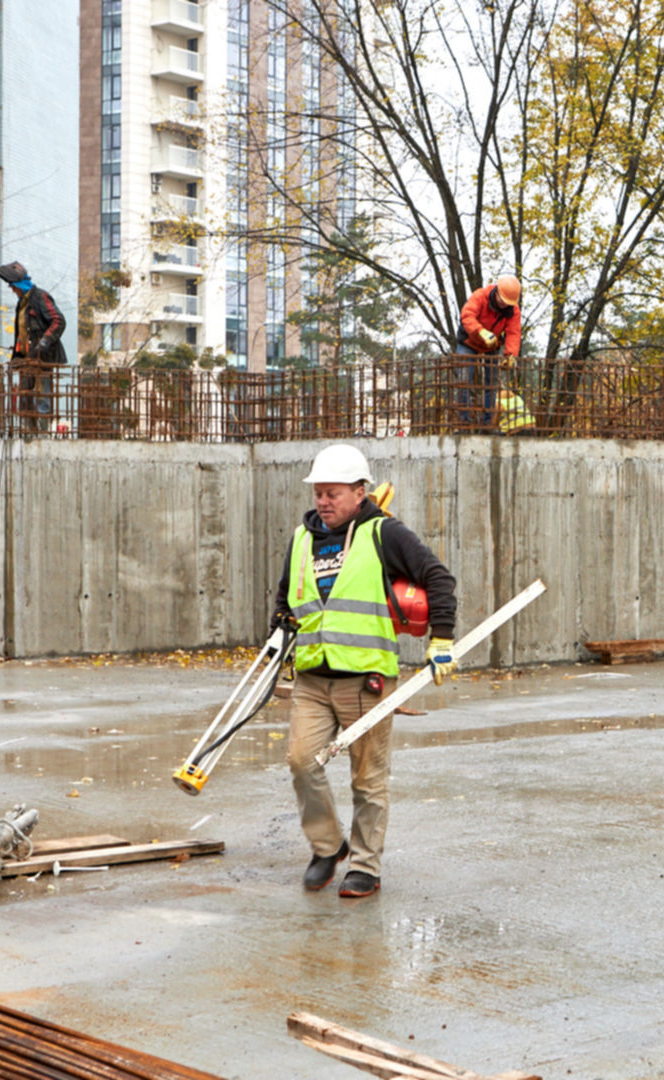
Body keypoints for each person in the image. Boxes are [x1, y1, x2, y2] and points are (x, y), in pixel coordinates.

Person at [276, 444, 458, 899]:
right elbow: (285, 598)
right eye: (318, 492)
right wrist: (280, 636)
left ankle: (365, 865)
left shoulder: (384, 534)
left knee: (368, 779)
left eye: (332, 492)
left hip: (367, 681)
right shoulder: (302, 538)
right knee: (301, 763)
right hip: (313, 679)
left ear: (360, 492)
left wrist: (442, 638)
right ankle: (327, 846)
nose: (323, 501)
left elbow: (438, 578)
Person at [0, 262, 67, 431]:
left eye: (13, 287)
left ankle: (42, 432)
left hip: (43, 359)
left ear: (20, 285)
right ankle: (27, 432)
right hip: (28, 359)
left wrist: (44, 343)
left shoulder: (40, 297)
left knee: (43, 397)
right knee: (25, 397)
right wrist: (18, 356)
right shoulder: (22, 303)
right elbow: (22, 332)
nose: (12, 290)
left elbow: (58, 321)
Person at [455, 275, 522, 430]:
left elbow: (514, 333)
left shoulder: (513, 310)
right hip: (470, 341)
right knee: (464, 379)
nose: (504, 305)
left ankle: (488, 423)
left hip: (491, 345)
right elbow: (467, 315)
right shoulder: (480, 296)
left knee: (492, 384)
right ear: (497, 292)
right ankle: (463, 422)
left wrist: (510, 355)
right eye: (503, 300)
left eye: (508, 303)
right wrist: (480, 332)